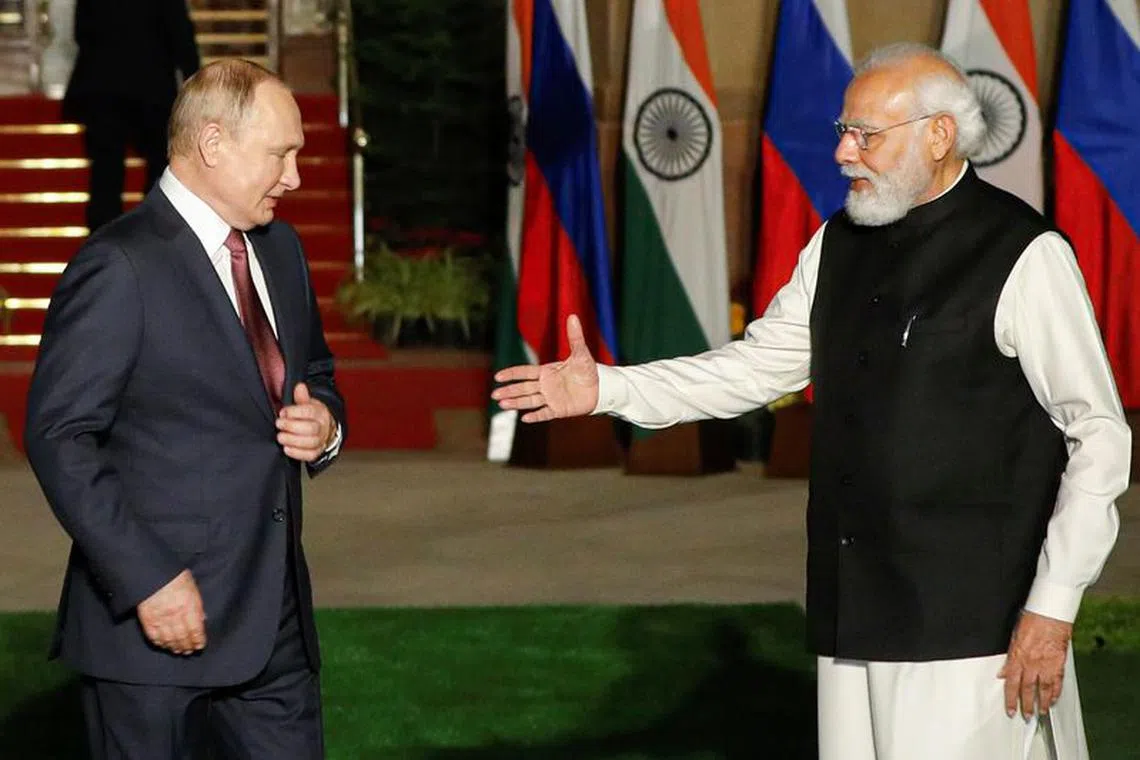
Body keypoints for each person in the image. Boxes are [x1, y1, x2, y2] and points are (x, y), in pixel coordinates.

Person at [492, 42, 1131, 760]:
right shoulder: (838, 242)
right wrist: (610, 387)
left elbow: (1100, 435)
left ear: (939, 135)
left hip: (973, 625)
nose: (843, 155)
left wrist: (1053, 605)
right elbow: (758, 368)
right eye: (843, 132)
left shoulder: (1025, 251)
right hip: (851, 610)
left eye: (867, 136)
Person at [25, 59, 346, 759]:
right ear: (212, 144)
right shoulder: (119, 265)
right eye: (280, 153)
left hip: (277, 626)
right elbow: (60, 435)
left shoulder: (281, 249)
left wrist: (324, 423)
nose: (294, 176)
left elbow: (316, 370)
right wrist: (145, 579)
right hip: (155, 637)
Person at [63, 0, 200, 232]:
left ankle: (102, 240)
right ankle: (152, 232)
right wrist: (194, 79)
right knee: (159, 166)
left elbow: (82, 31)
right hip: (150, 85)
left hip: (104, 86)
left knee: (106, 172)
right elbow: (179, 30)